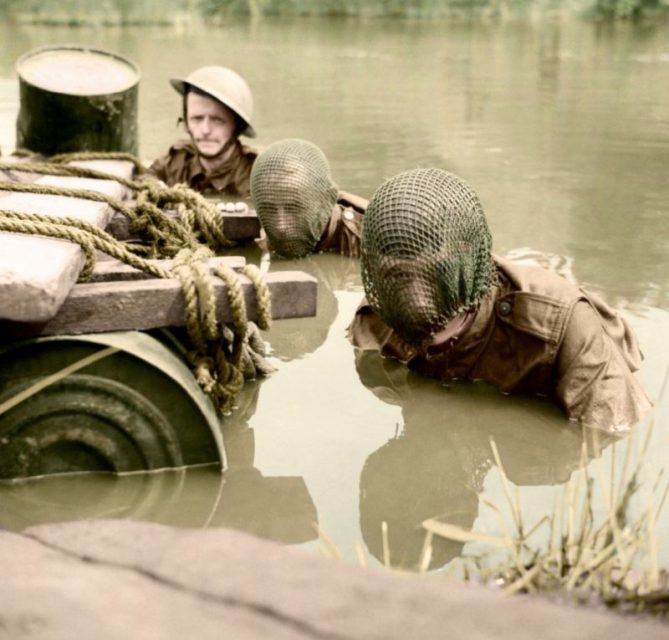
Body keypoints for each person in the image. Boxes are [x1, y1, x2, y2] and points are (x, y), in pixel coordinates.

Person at [348, 167, 653, 433]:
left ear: (465, 265)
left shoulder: (561, 327)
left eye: (432, 275)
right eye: (397, 276)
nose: (413, 298)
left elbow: (614, 438)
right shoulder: (378, 313)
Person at [146, 65, 258, 198]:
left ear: (238, 127)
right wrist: (156, 188)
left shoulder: (257, 174)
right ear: (186, 123)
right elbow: (144, 177)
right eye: (197, 119)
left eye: (217, 120)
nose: (205, 130)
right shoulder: (176, 163)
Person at [250, 138, 367, 258]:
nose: (281, 226)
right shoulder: (261, 233)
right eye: (269, 209)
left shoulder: (366, 237)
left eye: (293, 208)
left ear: (325, 200)